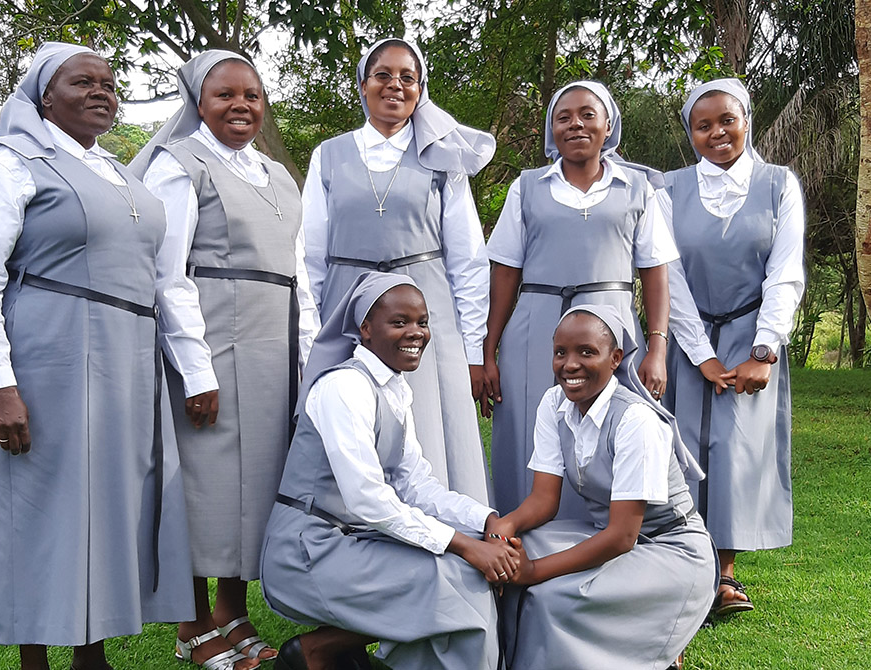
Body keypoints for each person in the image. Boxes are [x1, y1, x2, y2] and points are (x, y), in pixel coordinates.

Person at [0, 42, 216, 670]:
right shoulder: (11, 163)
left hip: (127, 363)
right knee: (43, 507)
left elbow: (163, 278)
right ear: (44, 96)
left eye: (109, 82)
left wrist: (189, 364)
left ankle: (90, 654)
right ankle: (35, 660)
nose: (102, 91)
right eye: (82, 82)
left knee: (105, 508)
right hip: (52, 359)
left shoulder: (119, 172)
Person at [130, 50, 318, 670]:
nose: (242, 106)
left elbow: (300, 276)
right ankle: (192, 623)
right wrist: (196, 368)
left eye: (253, 96)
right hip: (213, 340)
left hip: (274, 344)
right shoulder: (180, 165)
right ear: (197, 103)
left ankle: (232, 613)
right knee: (206, 485)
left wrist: (308, 358)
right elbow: (168, 273)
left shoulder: (277, 174)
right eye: (225, 95)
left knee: (258, 482)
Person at [260, 272, 517, 670]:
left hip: (352, 541)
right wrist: (466, 545)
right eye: (400, 322)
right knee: (454, 576)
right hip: (307, 551)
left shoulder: (393, 388)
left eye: (422, 322)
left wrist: (484, 520)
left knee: (462, 568)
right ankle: (316, 652)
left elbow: (415, 485)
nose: (415, 333)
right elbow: (368, 499)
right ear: (365, 328)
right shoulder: (344, 388)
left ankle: (333, 651)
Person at [302, 37, 494, 503]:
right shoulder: (329, 155)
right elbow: (309, 257)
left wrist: (471, 349)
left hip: (425, 314)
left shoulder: (442, 158)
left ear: (420, 89)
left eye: (407, 77)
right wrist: (311, 338)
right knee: (353, 425)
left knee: (429, 430)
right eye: (382, 75)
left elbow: (467, 259)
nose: (395, 85)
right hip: (351, 314)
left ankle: (445, 551)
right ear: (363, 86)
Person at [484, 80, 678, 514]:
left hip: (613, 332)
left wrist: (658, 347)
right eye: (563, 117)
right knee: (527, 434)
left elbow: (654, 272)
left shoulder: (637, 188)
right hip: (534, 331)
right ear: (551, 130)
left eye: (588, 114)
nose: (576, 124)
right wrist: (489, 349)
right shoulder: (527, 187)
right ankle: (521, 547)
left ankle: (603, 543)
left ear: (609, 125)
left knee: (610, 427)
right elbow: (504, 272)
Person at [489, 305, 716, 670]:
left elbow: (622, 537)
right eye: (560, 352)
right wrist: (507, 526)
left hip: (669, 550)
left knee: (550, 594)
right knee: (509, 556)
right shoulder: (554, 403)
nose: (570, 364)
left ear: (615, 359)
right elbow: (544, 500)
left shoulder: (636, 421)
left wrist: (534, 572)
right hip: (607, 533)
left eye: (586, 352)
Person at [659, 78, 804, 616]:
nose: (717, 132)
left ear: (746, 119)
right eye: (704, 125)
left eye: (727, 120)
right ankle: (683, 567)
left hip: (751, 333)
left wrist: (764, 351)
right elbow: (665, 276)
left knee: (736, 449)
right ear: (690, 133)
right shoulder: (667, 190)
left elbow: (785, 273)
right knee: (684, 448)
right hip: (685, 334)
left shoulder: (777, 185)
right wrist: (700, 354)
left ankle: (724, 575)